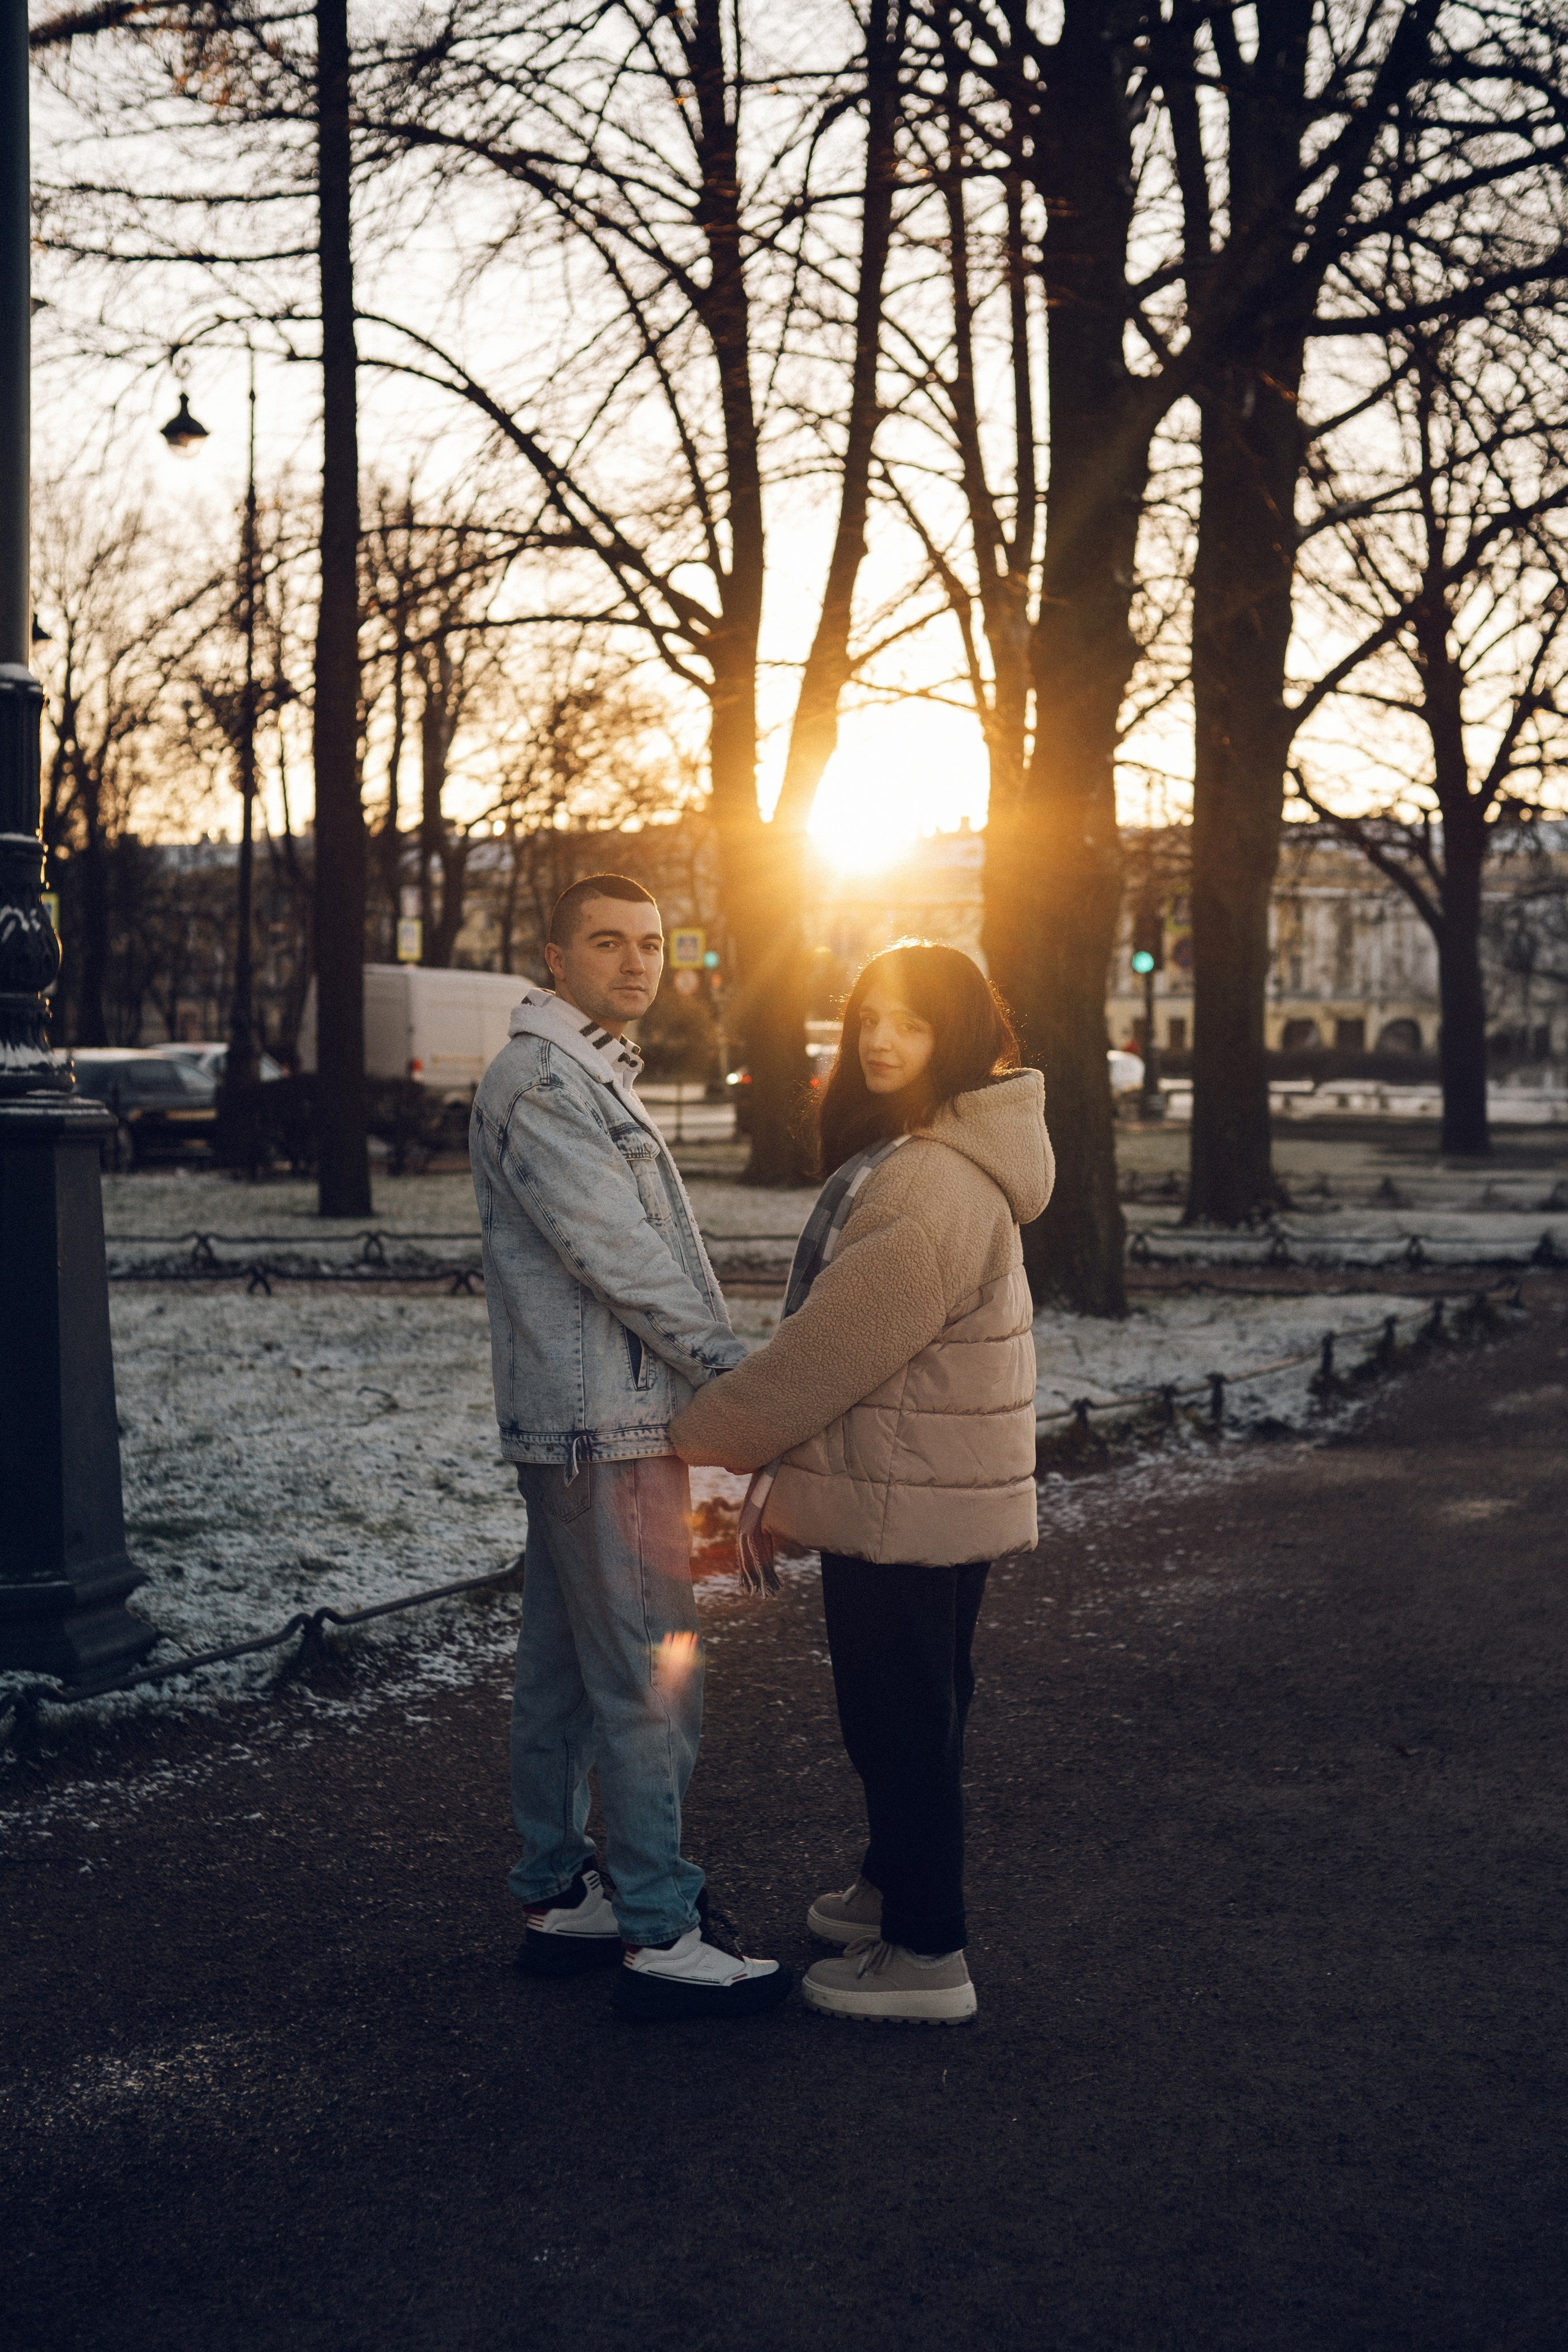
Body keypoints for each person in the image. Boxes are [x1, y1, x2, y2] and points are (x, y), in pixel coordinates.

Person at [669, 941, 1052, 2026]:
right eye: (870, 1017)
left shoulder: (929, 1179)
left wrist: (699, 1435)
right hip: (931, 1484)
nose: (882, 1040)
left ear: (959, 1037)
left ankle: (929, 1952)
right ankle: (893, 1888)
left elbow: (829, 1352)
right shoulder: (946, 1152)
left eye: (913, 1024)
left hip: (903, 1494)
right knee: (919, 1706)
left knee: (900, 1720)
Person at [470, 873, 790, 2022]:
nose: (637, 963)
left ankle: (562, 1893)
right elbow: (619, 1254)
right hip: (607, 1426)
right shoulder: (542, 1081)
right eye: (607, 943)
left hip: (592, 1422)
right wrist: (734, 1370)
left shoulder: (580, 1071)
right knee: (656, 1677)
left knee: (565, 1673)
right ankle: (661, 1927)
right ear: (556, 959)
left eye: (652, 944)